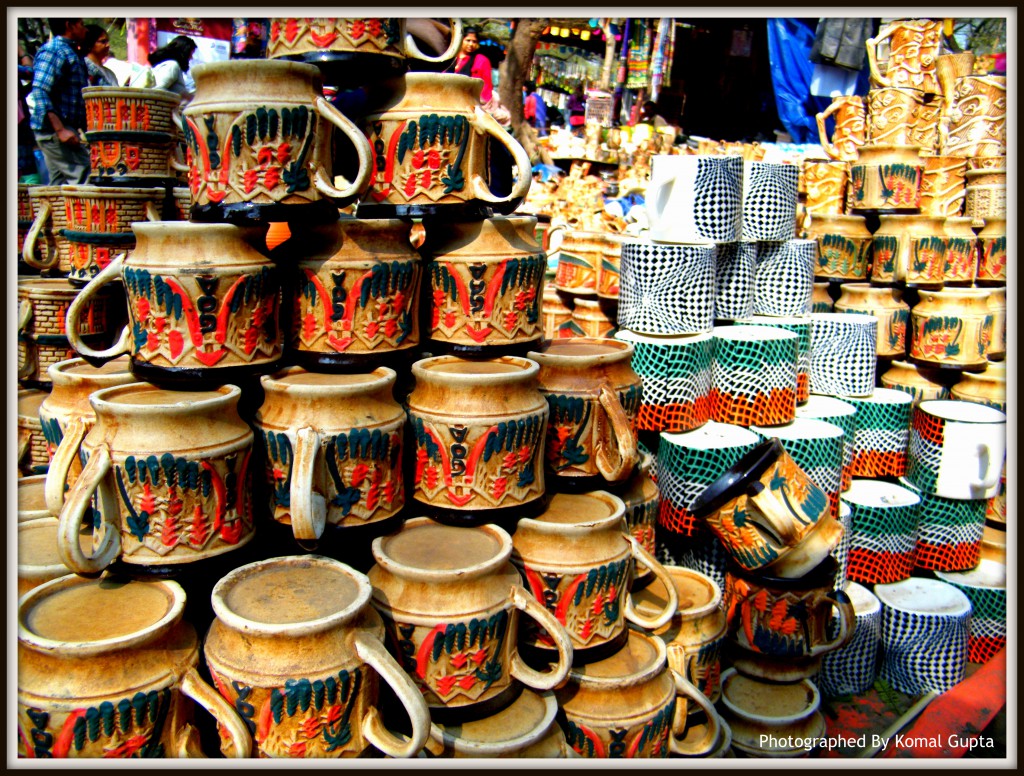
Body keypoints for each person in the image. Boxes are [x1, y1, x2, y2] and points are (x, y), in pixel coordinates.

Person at [29, 18, 91, 185]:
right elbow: (40, 90)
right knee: (85, 175)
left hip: (60, 130)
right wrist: (60, 129)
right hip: (54, 130)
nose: (85, 30)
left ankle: (51, 212)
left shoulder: (71, 52)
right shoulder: (55, 51)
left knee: (58, 186)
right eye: (82, 24)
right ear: (69, 25)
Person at [149, 35, 198, 103]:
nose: (191, 58)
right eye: (191, 54)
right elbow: (157, 90)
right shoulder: (172, 66)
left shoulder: (173, 67)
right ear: (185, 52)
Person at [451, 26, 492, 103]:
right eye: (468, 40)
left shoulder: (482, 60)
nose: (471, 44)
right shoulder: (450, 58)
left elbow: (486, 85)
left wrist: (482, 103)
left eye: (474, 41)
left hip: (472, 102)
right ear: (460, 40)